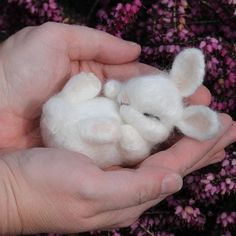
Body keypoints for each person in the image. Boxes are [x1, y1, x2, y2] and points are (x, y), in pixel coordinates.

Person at [0, 22, 235, 234]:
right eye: (131, 94)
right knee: (77, 110)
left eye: (147, 114)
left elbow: (132, 150)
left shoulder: (140, 141)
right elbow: (119, 94)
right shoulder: (122, 103)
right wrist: (13, 198)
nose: (127, 106)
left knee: (105, 133)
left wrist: (15, 195)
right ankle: (67, 100)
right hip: (64, 115)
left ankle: (79, 119)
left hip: (76, 142)